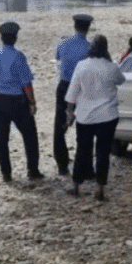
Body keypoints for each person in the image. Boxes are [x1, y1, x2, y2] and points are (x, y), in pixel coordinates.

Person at [64, 35, 126, 201]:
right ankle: (100, 189)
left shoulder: (82, 66)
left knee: (82, 151)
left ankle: (76, 185)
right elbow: (122, 81)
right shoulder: (112, 67)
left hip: (85, 117)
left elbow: (72, 93)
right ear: (106, 48)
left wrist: (70, 113)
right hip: (108, 117)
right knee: (103, 152)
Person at [0, 21, 44, 182]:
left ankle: (6, 173)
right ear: (15, 38)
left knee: (1, 139)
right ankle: (32, 170)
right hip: (17, 101)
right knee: (30, 136)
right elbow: (26, 83)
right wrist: (32, 102)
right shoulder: (18, 56)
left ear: (2, 38)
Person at [53, 14, 93, 176]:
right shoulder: (91, 47)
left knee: (59, 127)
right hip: (83, 88)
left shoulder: (63, 43)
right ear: (88, 27)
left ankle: (62, 165)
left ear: (74, 26)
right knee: (85, 127)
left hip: (65, 85)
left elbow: (57, 58)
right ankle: (85, 166)